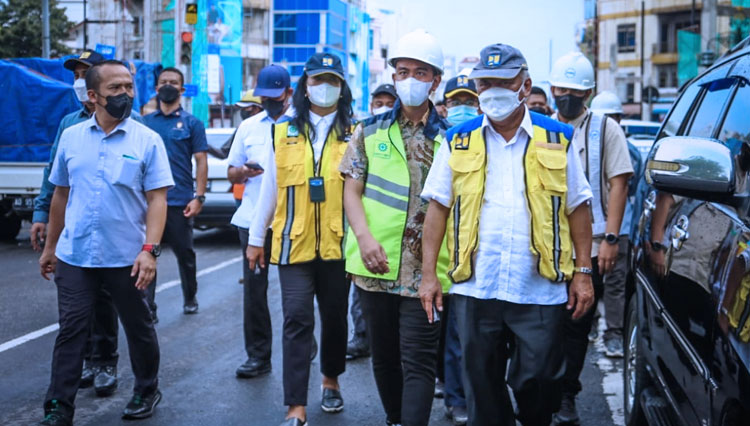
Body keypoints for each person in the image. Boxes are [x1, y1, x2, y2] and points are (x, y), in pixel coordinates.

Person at [420, 43, 595, 426]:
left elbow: (579, 207)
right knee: (480, 386)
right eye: (485, 82)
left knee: (540, 378)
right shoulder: (457, 140)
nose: (492, 91)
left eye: (503, 81)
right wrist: (429, 274)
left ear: (525, 84)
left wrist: (584, 272)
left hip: (538, 286)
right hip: (476, 286)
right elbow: (437, 208)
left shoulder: (557, 138)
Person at [37, 60, 174, 426]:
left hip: (127, 256)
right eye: (116, 89)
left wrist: (150, 251)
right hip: (76, 254)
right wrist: (51, 247)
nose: (125, 94)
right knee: (72, 331)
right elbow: (60, 196)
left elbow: (158, 200)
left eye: (129, 87)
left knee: (139, 327)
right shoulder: (71, 137)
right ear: (93, 96)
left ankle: (146, 389)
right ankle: (58, 407)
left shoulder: (147, 141)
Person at [340, 29, 449, 426]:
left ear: (435, 81)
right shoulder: (368, 130)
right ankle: (394, 418)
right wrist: (364, 239)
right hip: (376, 266)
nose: (409, 80)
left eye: (420, 72)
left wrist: (434, 270)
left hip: (427, 273)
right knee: (384, 357)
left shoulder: (454, 138)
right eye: (402, 71)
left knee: (419, 361)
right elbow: (352, 192)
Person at [246, 52, 352, 426]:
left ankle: (330, 380)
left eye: (333, 81)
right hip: (293, 243)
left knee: (336, 319)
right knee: (296, 319)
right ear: (305, 86)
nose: (325, 87)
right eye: (318, 80)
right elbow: (268, 191)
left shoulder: (357, 133)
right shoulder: (282, 132)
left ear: (342, 87)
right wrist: (256, 239)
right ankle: (296, 406)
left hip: (340, 247)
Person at [31, 50, 129, 398]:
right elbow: (53, 174)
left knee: (104, 299)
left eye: (85, 72)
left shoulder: (130, 127)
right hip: (73, 225)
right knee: (76, 303)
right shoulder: (70, 123)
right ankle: (86, 361)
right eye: (76, 74)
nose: (79, 80)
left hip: (111, 229)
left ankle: (105, 362)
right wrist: (41, 214)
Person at [548, 52, 633, 426]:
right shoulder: (539, 128)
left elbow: (619, 182)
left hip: (594, 244)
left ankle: (566, 395)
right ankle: (539, 392)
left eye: (575, 91)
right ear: (552, 89)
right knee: (540, 325)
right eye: (561, 89)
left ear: (588, 93)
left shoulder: (604, 129)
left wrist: (611, 238)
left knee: (576, 324)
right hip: (547, 244)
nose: (567, 97)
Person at [227, 64, 294, 378]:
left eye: (275, 96)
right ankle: (258, 356)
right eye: (264, 96)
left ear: (289, 94)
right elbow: (231, 170)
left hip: (295, 222)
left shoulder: (302, 126)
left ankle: (302, 347)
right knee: (254, 291)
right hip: (253, 221)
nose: (269, 102)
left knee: (298, 291)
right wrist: (244, 173)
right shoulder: (249, 126)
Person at [143, 67, 208, 317]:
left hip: (180, 201)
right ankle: (149, 306)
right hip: (150, 203)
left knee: (185, 254)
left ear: (181, 89)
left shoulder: (193, 123)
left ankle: (190, 297)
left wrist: (198, 196)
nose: (168, 85)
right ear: (156, 88)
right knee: (151, 252)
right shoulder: (146, 124)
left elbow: (201, 160)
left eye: (173, 82)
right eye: (163, 82)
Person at [436, 74, 479, 426]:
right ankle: (453, 395)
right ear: (444, 106)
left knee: (464, 334)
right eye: (455, 102)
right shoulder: (435, 140)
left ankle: (464, 394)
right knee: (444, 334)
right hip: (434, 257)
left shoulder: (487, 141)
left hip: (472, 255)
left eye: (468, 101)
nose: (461, 108)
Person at [346, 82, 399, 362]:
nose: (382, 107)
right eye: (378, 102)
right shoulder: (363, 133)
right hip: (365, 235)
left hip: (402, 240)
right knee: (362, 294)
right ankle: (362, 337)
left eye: (388, 102)